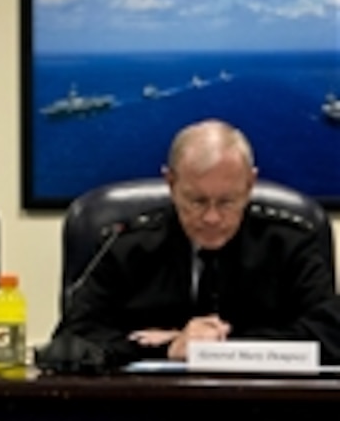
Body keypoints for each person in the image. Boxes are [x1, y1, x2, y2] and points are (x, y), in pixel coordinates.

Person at [50, 118, 335, 367]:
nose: (212, 218)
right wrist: (169, 348)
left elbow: (331, 336)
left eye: (226, 202)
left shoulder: (289, 243)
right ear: (171, 183)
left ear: (250, 185)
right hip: (145, 415)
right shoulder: (126, 244)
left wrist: (218, 346)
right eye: (197, 201)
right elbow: (72, 339)